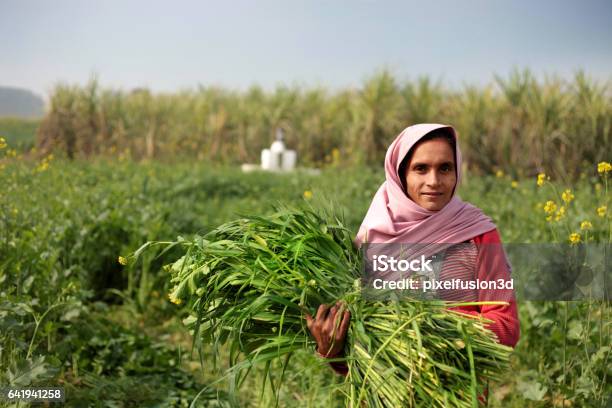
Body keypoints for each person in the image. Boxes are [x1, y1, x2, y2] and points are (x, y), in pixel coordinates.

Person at [305, 123, 520, 381]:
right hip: (385, 393)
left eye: (445, 168)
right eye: (421, 169)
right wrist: (332, 348)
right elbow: (356, 351)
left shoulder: (478, 234)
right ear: (401, 174)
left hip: (457, 389)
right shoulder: (371, 240)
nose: (434, 181)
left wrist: (431, 329)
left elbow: (506, 326)